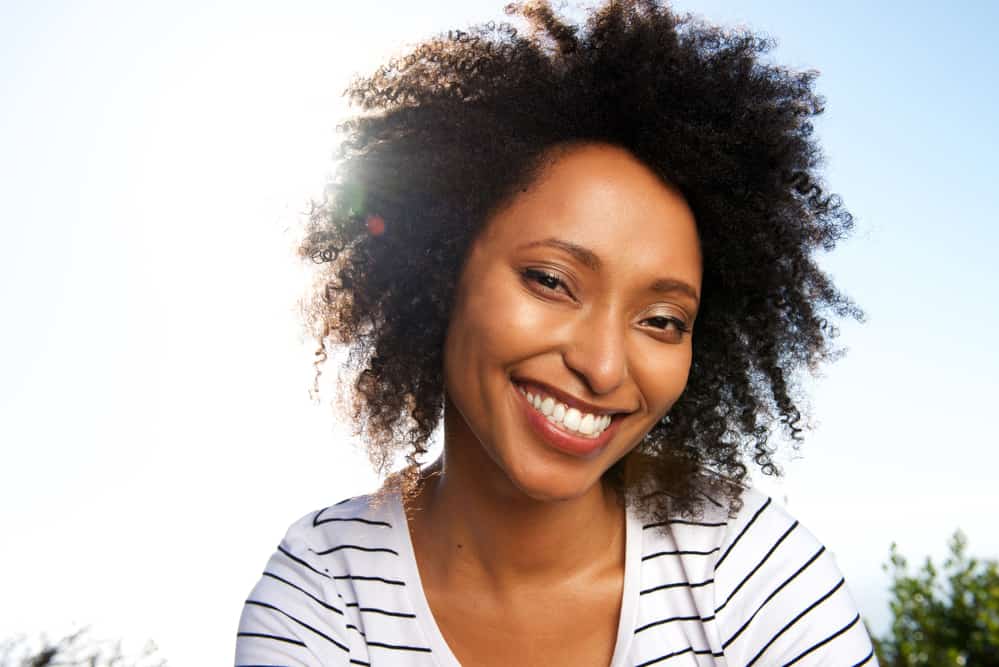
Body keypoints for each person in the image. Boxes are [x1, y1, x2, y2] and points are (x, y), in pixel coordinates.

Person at [235, 1, 876, 665]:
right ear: (440, 266)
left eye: (660, 320)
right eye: (549, 280)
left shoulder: (745, 565)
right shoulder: (325, 590)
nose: (602, 367)